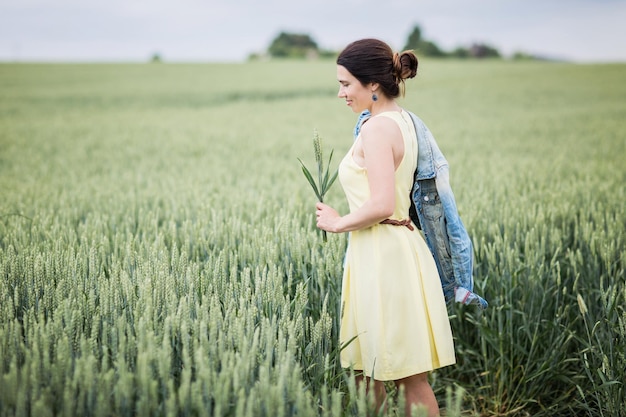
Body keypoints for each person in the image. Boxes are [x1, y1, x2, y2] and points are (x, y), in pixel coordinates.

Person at [315, 38, 456, 416]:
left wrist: (337, 222)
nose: (341, 93)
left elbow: (379, 204)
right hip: (391, 247)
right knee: (379, 371)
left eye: (346, 84)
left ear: (373, 83)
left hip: (383, 255)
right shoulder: (405, 122)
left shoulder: (377, 130)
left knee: (388, 374)